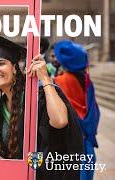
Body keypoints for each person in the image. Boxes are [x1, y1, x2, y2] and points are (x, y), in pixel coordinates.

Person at [0, 34, 83, 179]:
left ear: (15, 68)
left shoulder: (38, 95)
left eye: (1, 63)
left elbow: (60, 121)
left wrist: (45, 78)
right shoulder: (0, 106)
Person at [53, 40, 100, 180]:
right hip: (87, 140)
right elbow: (94, 110)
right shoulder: (87, 80)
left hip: (71, 142)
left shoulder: (59, 81)